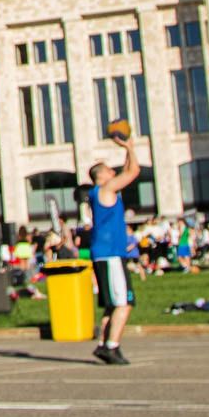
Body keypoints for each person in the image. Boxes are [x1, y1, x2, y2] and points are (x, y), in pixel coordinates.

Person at [86, 134, 142, 366]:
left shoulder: (98, 193)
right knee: (124, 303)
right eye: (110, 170)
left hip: (104, 252)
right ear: (102, 175)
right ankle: (112, 346)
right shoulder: (105, 189)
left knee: (112, 303)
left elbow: (128, 170)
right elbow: (133, 172)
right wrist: (129, 147)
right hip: (110, 253)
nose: (113, 172)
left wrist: (128, 151)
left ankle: (103, 344)